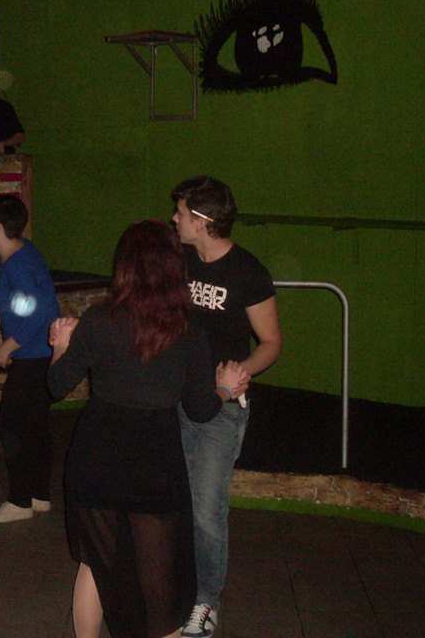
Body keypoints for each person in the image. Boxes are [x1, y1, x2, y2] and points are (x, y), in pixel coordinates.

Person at [48, 220, 250, 638]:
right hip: (154, 464)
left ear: (124, 267)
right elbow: (200, 410)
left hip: (97, 457)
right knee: (161, 584)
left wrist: (60, 347)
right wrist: (226, 389)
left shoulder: (99, 319)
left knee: (95, 564)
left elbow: (55, 385)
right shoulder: (188, 329)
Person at [170, 176, 283, 638]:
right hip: (177, 397)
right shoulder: (180, 260)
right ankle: (179, 587)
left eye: (181, 213)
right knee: (177, 500)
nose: (174, 219)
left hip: (222, 407)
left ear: (202, 221)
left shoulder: (247, 271)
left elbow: (271, 342)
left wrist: (239, 373)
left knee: (206, 509)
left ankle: (206, 602)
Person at [0, 194, 59, 523]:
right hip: (34, 353)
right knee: (33, 425)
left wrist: (7, 346)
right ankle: (39, 495)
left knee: (11, 425)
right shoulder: (17, 253)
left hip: (34, 355)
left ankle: (19, 501)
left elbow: (40, 312)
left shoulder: (20, 264)